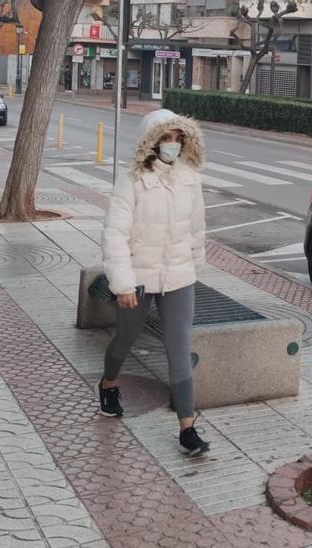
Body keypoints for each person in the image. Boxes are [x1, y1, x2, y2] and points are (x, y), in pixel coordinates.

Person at [100, 109, 210, 457]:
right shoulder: (131, 180)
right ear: (152, 141)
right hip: (140, 278)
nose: (173, 145)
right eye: (167, 138)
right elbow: (115, 235)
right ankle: (109, 383)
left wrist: (194, 265)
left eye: (179, 138)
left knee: (179, 348)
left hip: (178, 277)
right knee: (125, 339)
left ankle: (187, 429)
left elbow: (197, 227)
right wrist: (123, 284)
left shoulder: (190, 178)